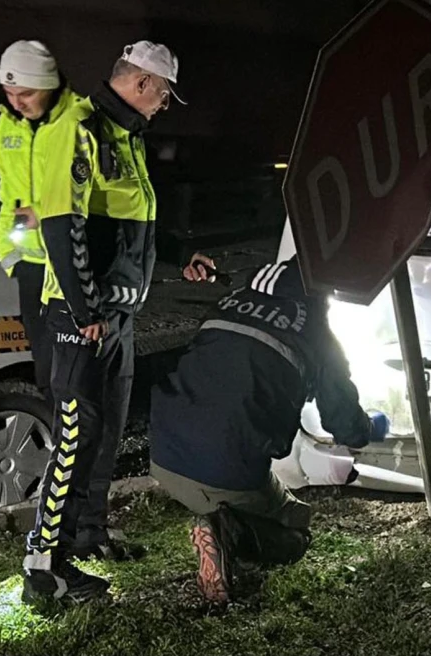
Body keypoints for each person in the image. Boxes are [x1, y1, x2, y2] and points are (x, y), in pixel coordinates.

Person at [22, 40, 212, 607]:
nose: (165, 107)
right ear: (144, 84)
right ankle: (43, 568)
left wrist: (181, 255)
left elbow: (132, 225)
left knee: (105, 433)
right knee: (74, 437)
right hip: (83, 319)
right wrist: (85, 315)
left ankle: (88, 535)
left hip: (115, 318)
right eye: (165, 97)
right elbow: (63, 227)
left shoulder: (124, 137)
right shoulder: (77, 128)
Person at [150, 256, 389, 603]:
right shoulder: (317, 331)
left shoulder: (226, 305)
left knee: (227, 485)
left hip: (165, 452)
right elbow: (343, 423)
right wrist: (374, 426)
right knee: (295, 526)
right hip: (223, 467)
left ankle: (220, 521)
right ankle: (229, 533)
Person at [0, 40, 81, 402]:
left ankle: (76, 440)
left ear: (48, 85)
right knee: (44, 365)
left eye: (25, 93)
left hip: (66, 261)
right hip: (29, 263)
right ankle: (56, 430)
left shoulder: (78, 122)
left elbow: (92, 192)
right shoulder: (5, 125)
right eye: (9, 92)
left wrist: (42, 215)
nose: (16, 102)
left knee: (73, 365)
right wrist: (8, 254)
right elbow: (6, 194)